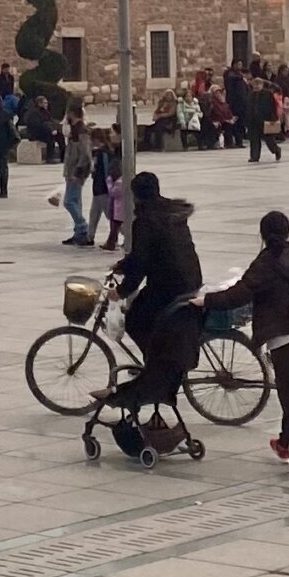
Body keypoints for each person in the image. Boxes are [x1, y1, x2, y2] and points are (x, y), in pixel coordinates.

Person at [203, 209, 289, 478]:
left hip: (285, 339)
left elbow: (240, 294)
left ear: (263, 235)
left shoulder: (266, 263)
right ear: (288, 233)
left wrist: (206, 301)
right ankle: (285, 443)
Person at [106, 172, 203, 411]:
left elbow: (142, 261)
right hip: (189, 278)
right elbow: (149, 252)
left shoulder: (147, 220)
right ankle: (157, 362)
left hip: (170, 285)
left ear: (136, 195)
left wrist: (121, 290)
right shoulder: (170, 213)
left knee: (136, 320)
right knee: (150, 316)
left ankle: (157, 369)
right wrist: (122, 265)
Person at [58, 116, 93, 246]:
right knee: (76, 201)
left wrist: (77, 171)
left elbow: (85, 154)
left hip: (76, 172)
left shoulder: (81, 131)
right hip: (71, 171)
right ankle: (78, 232)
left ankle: (82, 226)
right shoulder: (73, 131)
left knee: (69, 202)